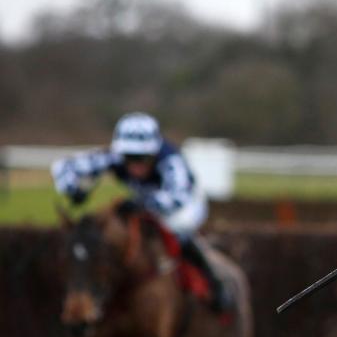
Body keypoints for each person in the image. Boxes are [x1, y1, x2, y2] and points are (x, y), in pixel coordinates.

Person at [51, 112, 232, 312]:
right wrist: (75, 189)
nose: (136, 164)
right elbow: (63, 168)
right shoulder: (113, 156)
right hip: (147, 200)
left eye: (143, 157)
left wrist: (143, 203)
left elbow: (177, 197)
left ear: (155, 151)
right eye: (130, 157)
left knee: (176, 229)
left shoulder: (171, 160)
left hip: (186, 204)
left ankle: (215, 284)